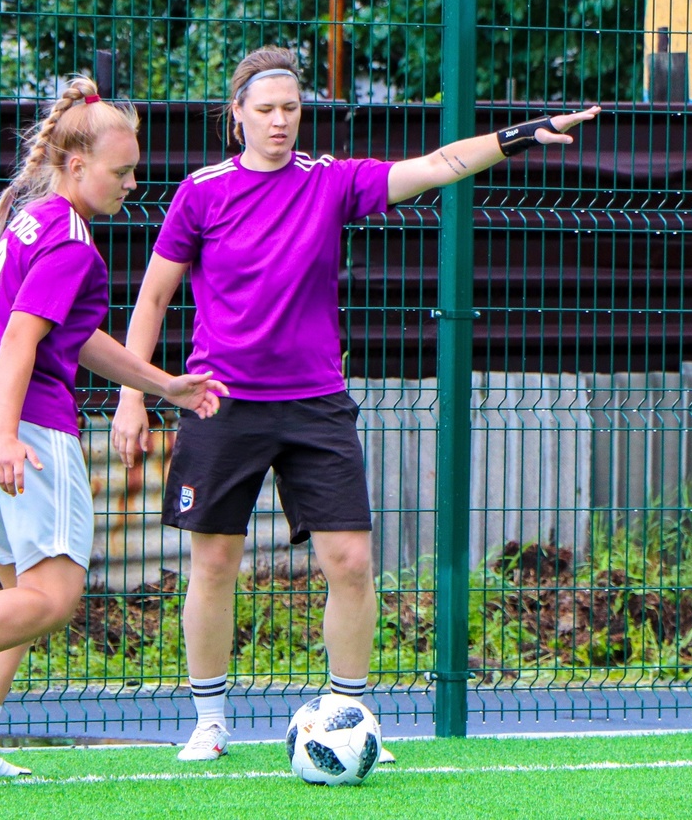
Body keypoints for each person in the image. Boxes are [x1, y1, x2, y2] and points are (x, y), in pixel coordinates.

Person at [109, 45, 601, 762]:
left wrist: (518, 135)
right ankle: (209, 722)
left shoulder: (330, 181)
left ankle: (347, 714)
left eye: (291, 108)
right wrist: (133, 396)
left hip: (316, 405)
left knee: (350, 561)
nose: (280, 122)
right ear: (237, 114)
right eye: (266, 109)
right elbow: (153, 297)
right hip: (220, 403)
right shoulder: (201, 193)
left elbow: (436, 166)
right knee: (213, 564)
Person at [0, 76, 228, 779]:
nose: (132, 184)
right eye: (121, 171)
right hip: (25, 430)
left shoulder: (34, 218)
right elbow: (21, 340)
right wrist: (10, 435)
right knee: (54, 597)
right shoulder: (71, 241)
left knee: (20, 596)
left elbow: (75, 335)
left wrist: (162, 385)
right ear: (75, 164)